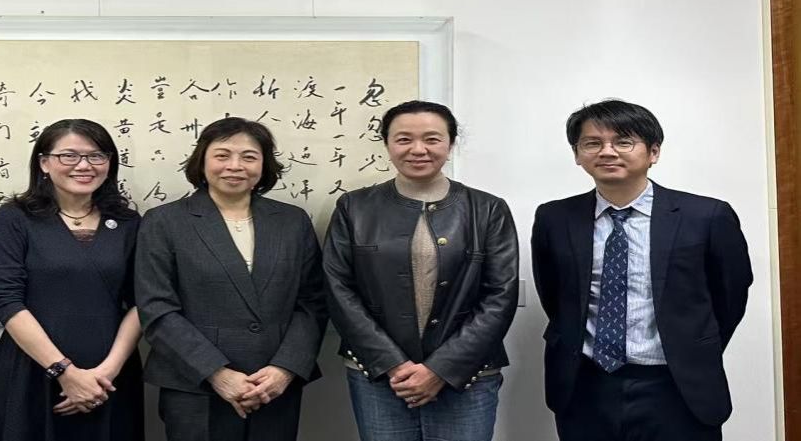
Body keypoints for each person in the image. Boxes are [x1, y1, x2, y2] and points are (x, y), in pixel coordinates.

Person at [531, 99, 753, 441]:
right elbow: (555, 296)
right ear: (577, 154)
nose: (607, 152)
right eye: (592, 143)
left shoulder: (706, 216)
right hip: (585, 385)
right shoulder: (555, 218)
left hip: (677, 386)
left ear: (653, 152)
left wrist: (691, 346)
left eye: (623, 142)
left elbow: (730, 296)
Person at [322, 100, 519, 441]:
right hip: (380, 374)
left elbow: (500, 295)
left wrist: (440, 369)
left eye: (432, 139)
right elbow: (337, 288)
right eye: (403, 139)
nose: (418, 149)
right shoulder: (354, 207)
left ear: (450, 143)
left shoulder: (488, 209)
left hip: (467, 375)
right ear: (387, 144)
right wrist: (393, 364)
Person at [136, 117, 327, 441]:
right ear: (202, 161)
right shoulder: (164, 221)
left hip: (272, 387)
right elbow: (157, 308)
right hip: (195, 386)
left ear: (264, 164)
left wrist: (284, 369)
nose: (235, 166)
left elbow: (312, 303)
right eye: (222, 155)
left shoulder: (292, 221)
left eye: (249, 157)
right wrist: (217, 373)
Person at [0, 118, 143, 441]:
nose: (84, 165)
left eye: (96, 156)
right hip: (32, 371)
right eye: (68, 156)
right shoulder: (14, 218)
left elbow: (142, 301)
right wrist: (63, 371)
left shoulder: (128, 222)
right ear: (44, 163)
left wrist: (105, 374)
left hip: (109, 377)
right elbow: (5, 300)